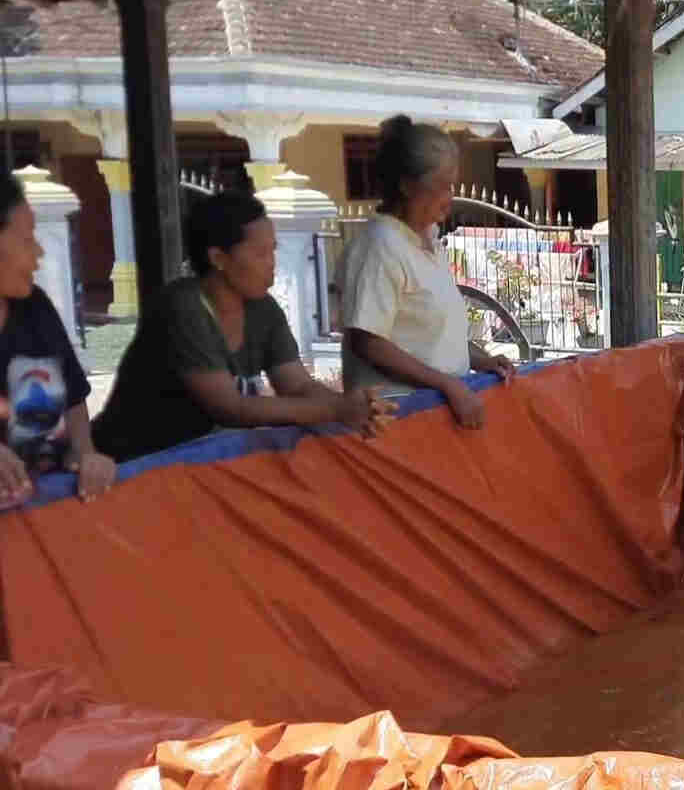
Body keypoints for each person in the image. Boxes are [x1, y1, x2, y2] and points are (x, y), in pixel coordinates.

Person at [92, 192, 396, 462]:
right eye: (260, 254)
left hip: (193, 466)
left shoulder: (262, 307)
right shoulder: (182, 306)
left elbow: (297, 385)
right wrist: (337, 410)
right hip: (129, 465)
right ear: (218, 258)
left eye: (273, 251)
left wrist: (354, 407)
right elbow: (230, 408)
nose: (272, 263)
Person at [340, 115, 514, 429]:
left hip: (433, 418)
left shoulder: (428, 239)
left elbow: (431, 339)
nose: (450, 198)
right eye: (443, 186)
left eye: (452, 186)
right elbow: (368, 341)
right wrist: (446, 384)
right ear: (407, 186)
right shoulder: (380, 245)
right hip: (395, 420)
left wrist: (482, 361)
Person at [0, 171, 115, 505]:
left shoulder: (34, 307)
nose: (38, 253)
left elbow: (73, 396)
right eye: (26, 240)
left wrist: (86, 454)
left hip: (52, 510)